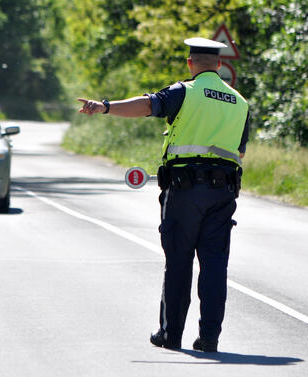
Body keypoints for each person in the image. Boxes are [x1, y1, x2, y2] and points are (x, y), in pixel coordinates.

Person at [78, 37, 249, 353]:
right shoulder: (240, 102)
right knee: (214, 265)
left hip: (184, 191)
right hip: (223, 194)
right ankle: (209, 338)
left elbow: (147, 105)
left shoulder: (185, 91)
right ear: (221, 65)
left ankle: (171, 335)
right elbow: (239, 150)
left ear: (190, 63)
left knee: (180, 261)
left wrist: (104, 107)